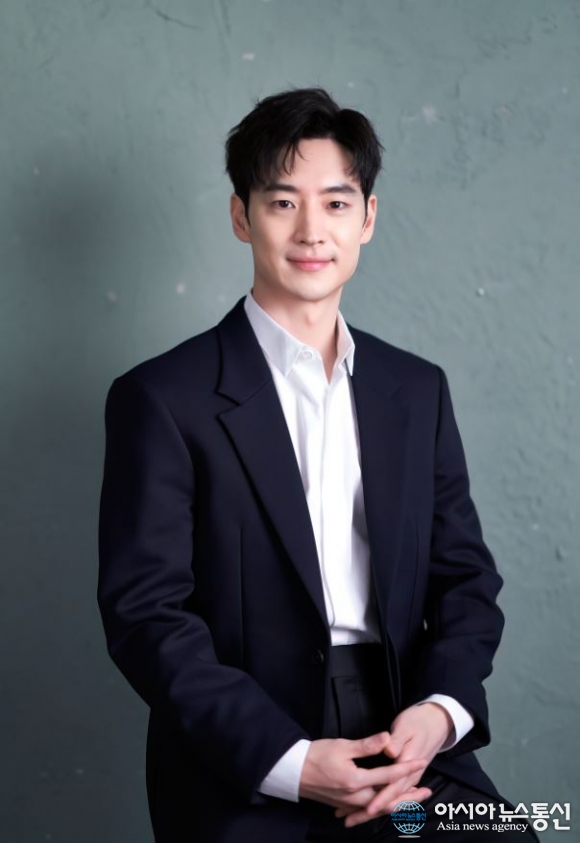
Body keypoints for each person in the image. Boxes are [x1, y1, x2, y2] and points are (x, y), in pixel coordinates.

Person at [98, 87, 539, 842]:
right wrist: (293, 762)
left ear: (367, 218)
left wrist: (439, 716)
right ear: (241, 217)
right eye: (282, 203)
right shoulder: (162, 398)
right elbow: (145, 614)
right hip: (246, 754)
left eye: (336, 203)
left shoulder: (416, 389)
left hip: (406, 736)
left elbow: (465, 578)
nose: (311, 230)